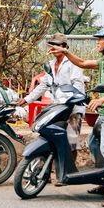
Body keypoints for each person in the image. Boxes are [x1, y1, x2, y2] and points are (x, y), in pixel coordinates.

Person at [48, 27, 104, 208]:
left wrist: (102, 100)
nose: (97, 43)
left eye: (100, 40)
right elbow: (83, 63)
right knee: (93, 143)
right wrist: (65, 51)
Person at [18, 33, 86, 168]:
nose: (54, 48)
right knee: (50, 137)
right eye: (52, 45)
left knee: (71, 142)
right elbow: (44, 85)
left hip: (73, 108)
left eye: (57, 45)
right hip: (57, 109)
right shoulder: (51, 64)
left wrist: (70, 99)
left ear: (65, 47)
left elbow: (78, 85)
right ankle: (46, 172)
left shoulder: (73, 63)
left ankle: (68, 171)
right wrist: (26, 100)